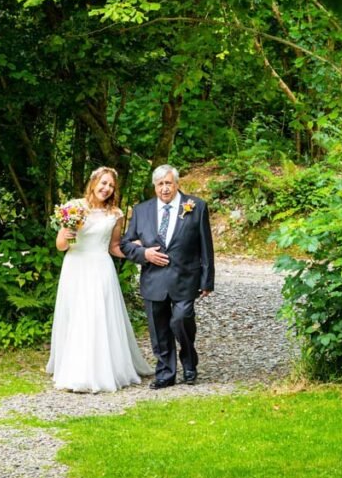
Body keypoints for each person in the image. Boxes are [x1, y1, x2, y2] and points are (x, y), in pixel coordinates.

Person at [46, 166, 153, 393]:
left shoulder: (115, 214)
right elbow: (61, 247)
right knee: (77, 316)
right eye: (103, 183)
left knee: (96, 315)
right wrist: (67, 236)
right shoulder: (74, 208)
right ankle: (75, 368)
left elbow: (114, 247)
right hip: (76, 266)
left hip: (101, 267)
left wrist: (140, 252)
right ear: (93, 182)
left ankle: (101, 370)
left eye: (111, 186)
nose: (106, 188)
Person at [121, 164, 215, 389]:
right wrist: (144, 253)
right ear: (154, 186)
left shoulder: (196, 207)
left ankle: (189, 361)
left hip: (185, 278)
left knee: (181, 319)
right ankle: (165, 372)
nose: (164, 188)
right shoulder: (141, 210)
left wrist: (207, 280)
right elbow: (125, 243)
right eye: (160, 184)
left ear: (177, 184)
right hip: (154, 279)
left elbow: (206, 246)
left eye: (168, 183)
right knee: (159, 329)